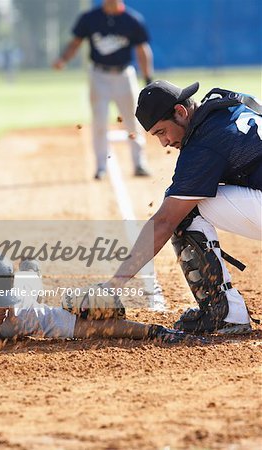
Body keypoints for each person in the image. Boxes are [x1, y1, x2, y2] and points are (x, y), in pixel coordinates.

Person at [67, 80, 262, 335]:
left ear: (181, 112)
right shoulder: (230, 104)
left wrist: (113, 286)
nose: (164, 142)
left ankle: (225, 314)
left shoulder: (203, 145)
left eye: (162, 132)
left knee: (185, 210)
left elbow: (164, 222)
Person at [0, 247, 200, 345]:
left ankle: (29, 272)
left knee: (29, 289)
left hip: (25, 293)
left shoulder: (22, 313)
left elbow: (86, 328)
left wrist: (153, 331)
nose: (4, 307)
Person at [53, 0, 154, 180]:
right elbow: (76, 42)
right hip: (99, 75)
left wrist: (147, 78)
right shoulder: (90, 18)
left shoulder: (132, 19)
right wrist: (63, 59)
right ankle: (101, 166)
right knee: (99, 122)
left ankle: (139, 163)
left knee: (132, 119)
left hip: (124, 75)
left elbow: (142, 50)